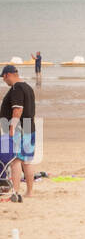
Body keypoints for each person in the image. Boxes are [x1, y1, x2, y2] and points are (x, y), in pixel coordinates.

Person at [0, 63, 37, 202]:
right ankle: (30, 191)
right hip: (29, 126)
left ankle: (15, 192)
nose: (4, 81)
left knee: (15, 160)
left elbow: (18, 109)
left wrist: (11, 128)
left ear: (7, 75)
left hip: (19, 128)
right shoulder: (27, 87)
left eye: (4, 78)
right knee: (27, 161)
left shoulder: (16, 88)